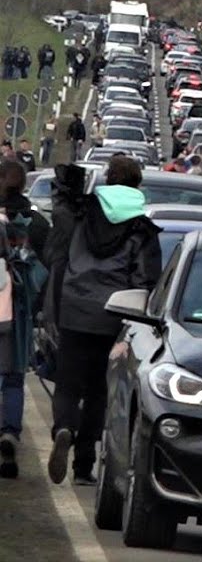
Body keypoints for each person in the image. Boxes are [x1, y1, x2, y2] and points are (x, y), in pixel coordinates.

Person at [46, 156, 161, 485]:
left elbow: (59, 229)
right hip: (114, 316)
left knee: (67, 383)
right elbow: (144, 279)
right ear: (138, 183)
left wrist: (65, 183)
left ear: (108, 179)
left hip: (73, 309)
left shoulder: (83, 212)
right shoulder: (141, 228)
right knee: (100, 390)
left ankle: (64, 426)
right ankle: (83, 466)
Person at [0, 161, 50, 478]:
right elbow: (47, 267)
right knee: (14, 376)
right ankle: (9, 433)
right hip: (16, 308)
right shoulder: (36, 222)